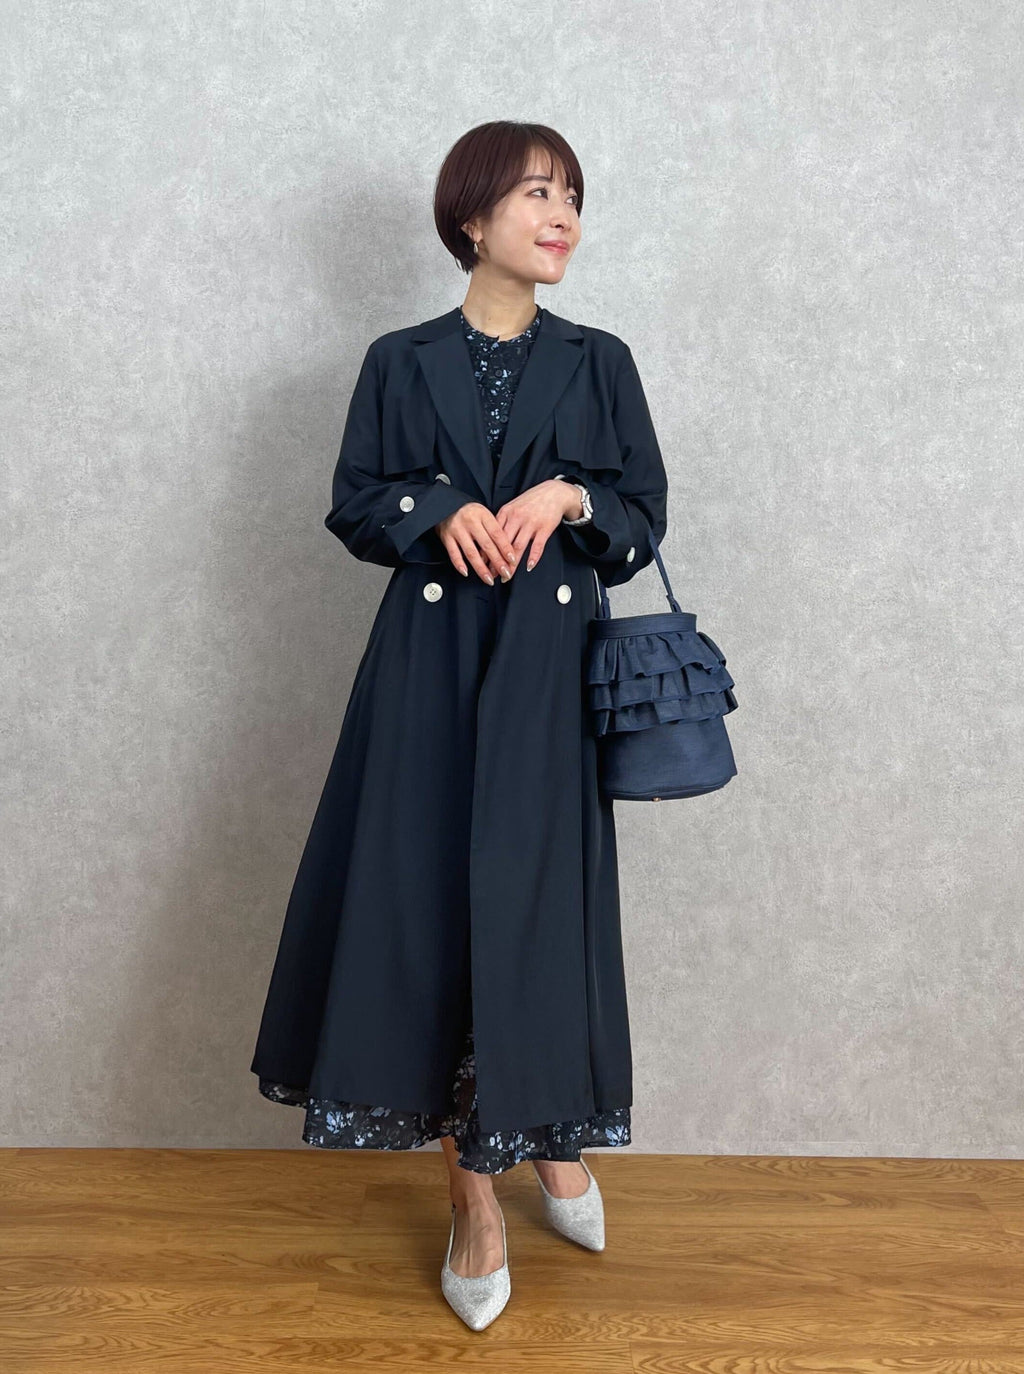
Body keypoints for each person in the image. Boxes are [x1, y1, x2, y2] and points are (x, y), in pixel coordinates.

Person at [250, 120, 669, 1330]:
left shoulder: (599, 360)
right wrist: (433, 508)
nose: (563, 215)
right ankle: (474, 1198)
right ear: (472, 218)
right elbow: (353, 503)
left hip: (546, 672)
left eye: (573, 195)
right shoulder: (400, 359)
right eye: (537, 192)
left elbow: (641, 516)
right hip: (426, 670)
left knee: (536, 910)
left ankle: (548, 1138)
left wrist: (571, 494)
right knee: (427, 908)